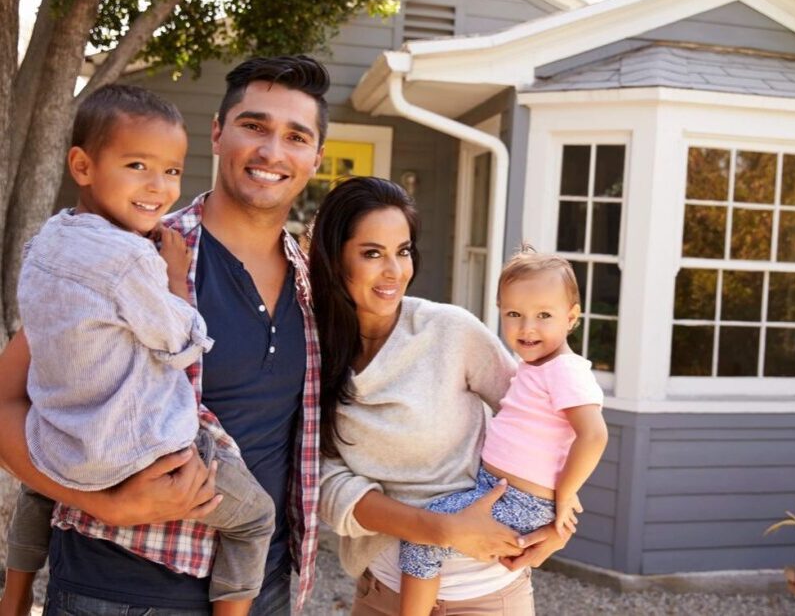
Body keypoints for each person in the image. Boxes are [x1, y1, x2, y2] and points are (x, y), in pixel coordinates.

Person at [0, 54, 326, 614]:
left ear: (315, 158)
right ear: (218, 133)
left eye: (296, 136)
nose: (273, 151)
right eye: (254, 126)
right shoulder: (132, 254)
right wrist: (102, 503)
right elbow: (7, 400)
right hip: (117, 592)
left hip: (263, 590)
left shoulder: (311, 282)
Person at [313, 177, 581, 615]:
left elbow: (545, 417)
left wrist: (560, 516)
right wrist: (438, 528)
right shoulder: (312, 354)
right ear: (335, 258)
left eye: (403, 251)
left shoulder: (451, 331)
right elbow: (324, 484)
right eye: (371, 253)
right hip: (386, 595)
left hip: (488, 593)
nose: (394, 272)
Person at [397, 248, 609, 616]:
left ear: (572, 317)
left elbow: (593, 435)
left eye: (544, 315)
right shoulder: (536, 368)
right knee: (430, 525)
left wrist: (566, 495)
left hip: (522, 502)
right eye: (514, 314)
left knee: (423, 534)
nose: (527, 327)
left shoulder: (565, 370)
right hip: (499, 490)